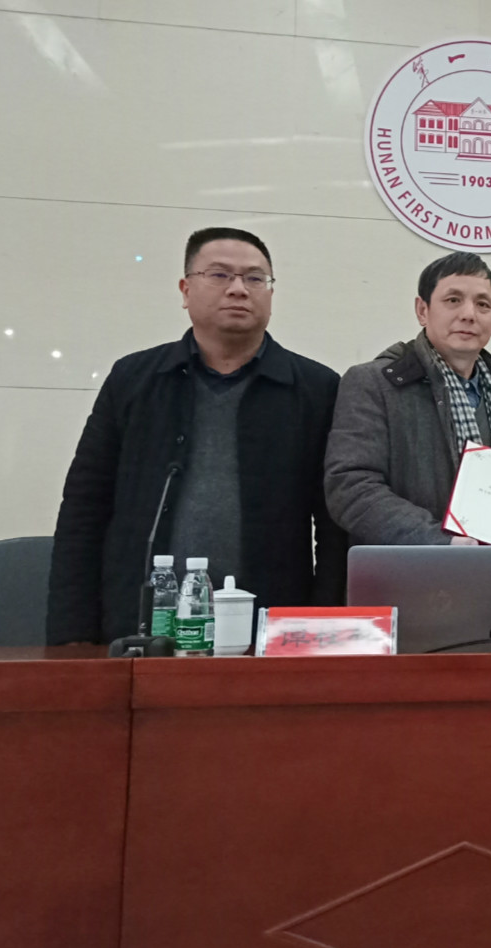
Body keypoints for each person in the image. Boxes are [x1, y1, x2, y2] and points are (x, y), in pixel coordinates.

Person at [48, 227, 346, 644]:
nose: (239, 289)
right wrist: (72, 637)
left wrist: (323, 627)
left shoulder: (315, 388)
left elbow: (334, 526)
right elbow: (84, 508)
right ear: (185, 290)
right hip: (138, 627)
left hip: (271, 626)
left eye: (255, 278)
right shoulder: (135, 379)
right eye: (220, 275)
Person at [324, 251, 491, 629]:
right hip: (406, 591)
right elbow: (351, 488)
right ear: (422, 310)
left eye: (483, 304)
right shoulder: (373, 384)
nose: (469, 314)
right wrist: (442, 543)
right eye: (453, 300)